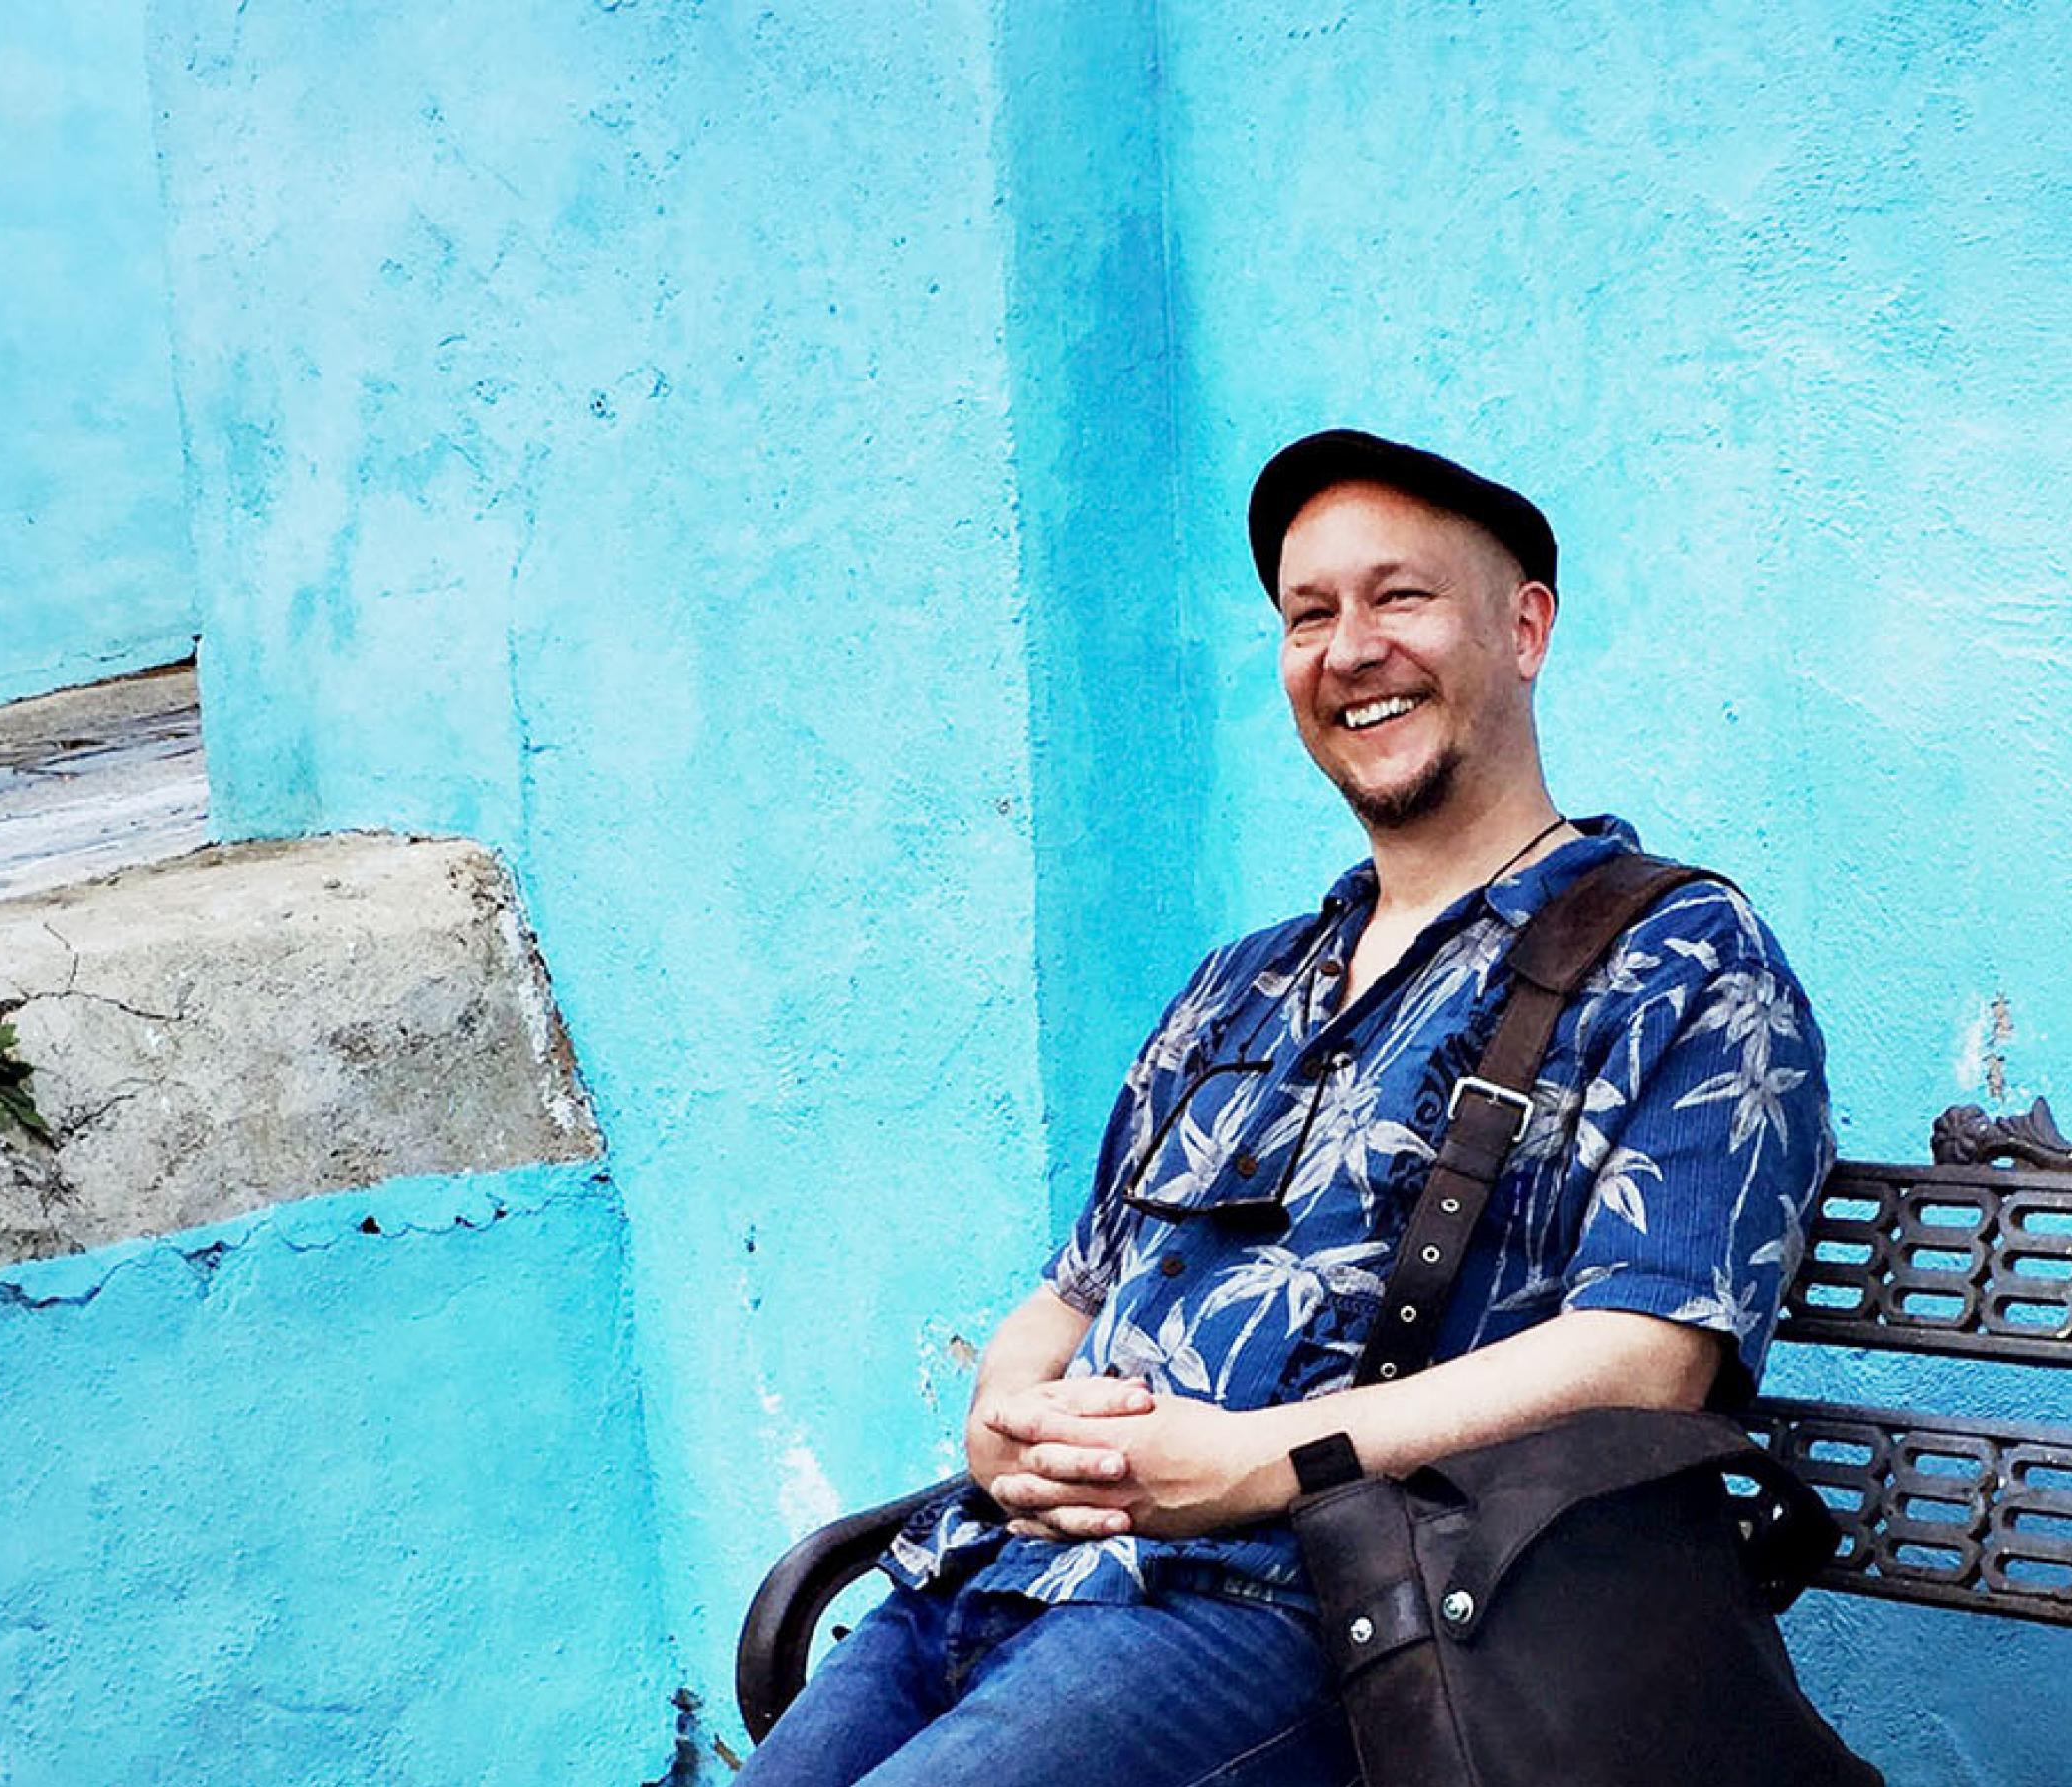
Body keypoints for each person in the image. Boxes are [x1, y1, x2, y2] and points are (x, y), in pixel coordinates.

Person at [740, 430, 1836, 1787]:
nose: (1350, 649)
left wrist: (1261, 1465)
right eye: (1309, 615)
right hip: (991, 1571)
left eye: (1399, 597)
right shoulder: (1239, 984)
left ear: (1524, 628)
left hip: (1314, 1620)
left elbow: (1648, 1358)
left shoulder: (1677, 958)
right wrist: (1004, 1419)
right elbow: (1073, 1294)